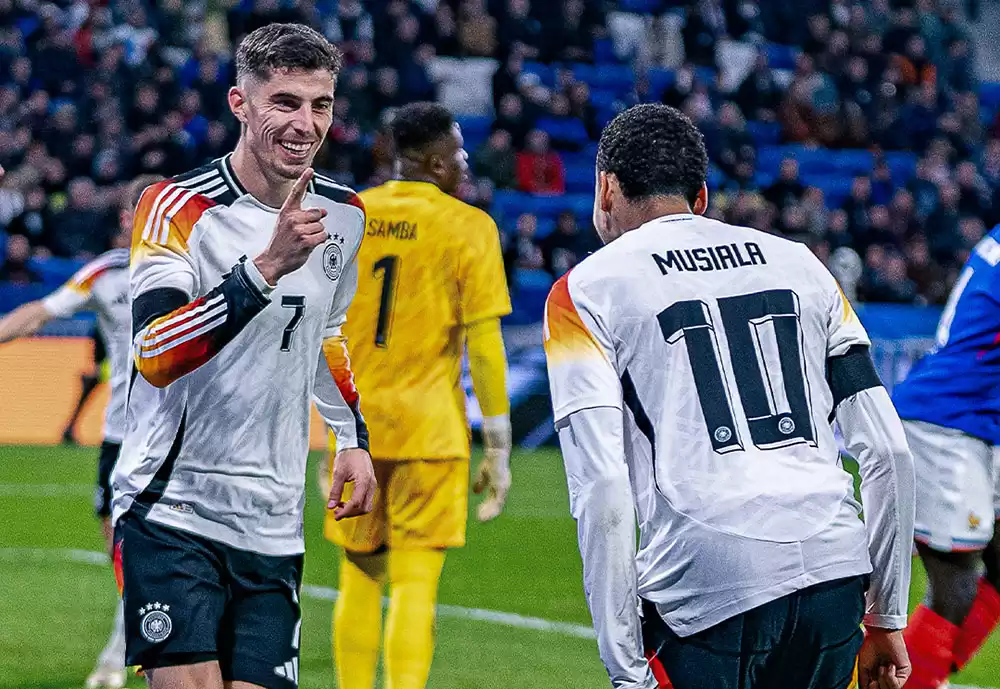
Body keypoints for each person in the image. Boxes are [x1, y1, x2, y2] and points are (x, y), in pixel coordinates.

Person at [542, 104, 915, 689]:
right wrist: (887, 615)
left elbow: (602, 487)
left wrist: (625, 669)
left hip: (706, 581)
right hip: (834, 568)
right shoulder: (803, 265)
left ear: (606, 188)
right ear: (701, 196)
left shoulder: (584, 291)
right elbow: (890, 452)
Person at [111, 23, 377, 689]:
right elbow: (155, 351)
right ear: (240, 103)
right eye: (285, 102)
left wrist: (351, 437)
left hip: (274, 519)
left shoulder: (345, 214)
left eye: (320, 105)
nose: (305, 124)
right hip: (172, 507)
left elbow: (327, 332)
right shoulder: (175, 207)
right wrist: (265, 268)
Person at [319, 102, 513, 689]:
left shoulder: (348, 217)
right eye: (459, 153)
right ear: (436, 162)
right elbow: (484, 345)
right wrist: (498, 445)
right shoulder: (468, 226)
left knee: (359, 576)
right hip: (430, 431)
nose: (465, 163)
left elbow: (315, 328)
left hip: (356, 429)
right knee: (414, 582)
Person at [0, 173, 160, 689]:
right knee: (121, 555)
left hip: (177, 438)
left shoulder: (204, 270)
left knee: (155, 554)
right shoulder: (105, 274)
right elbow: (39, 312)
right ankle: (137, 646)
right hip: (119, 438)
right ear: (125, 217)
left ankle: (121, 657)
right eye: (142, 208)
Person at [892, 228, 1000, 689]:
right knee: (956, 582)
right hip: (947, 421)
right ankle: (917, 678)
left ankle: (926, 673)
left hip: (981, 421)